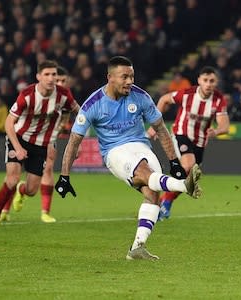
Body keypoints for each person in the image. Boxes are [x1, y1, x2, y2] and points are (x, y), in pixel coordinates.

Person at [54, 56, 202, 260]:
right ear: (110, 78)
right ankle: (185, 186)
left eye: (131, 76)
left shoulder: (140, 96)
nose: (130, 81)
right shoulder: (93, 104)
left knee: (153, 193)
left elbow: (160, 129)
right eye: (124, 77)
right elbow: (74, 141)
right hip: (114, 151)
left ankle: (137, 247)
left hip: (141, 146)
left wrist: (174, 162)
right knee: (144, 172)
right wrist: (64, 176)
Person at [0, 60, 80, 228]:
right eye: (47, 74)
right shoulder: (27, 95)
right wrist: (19, 148)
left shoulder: (63, 95)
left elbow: (80, 114)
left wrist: (77, 143)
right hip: (19, 139)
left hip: (41, 146)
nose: (51, 78)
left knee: (31, 190)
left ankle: (22, 191)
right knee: (12, 178)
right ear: (38, 77)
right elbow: (8, 123)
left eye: (54, 75)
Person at [148, 66, 230, 220]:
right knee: (188, 166)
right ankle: (164, 203)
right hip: (181, 134)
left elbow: (224, 126)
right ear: (199, 80)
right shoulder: (187, 94)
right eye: (205, 80)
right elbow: (164, 99)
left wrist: (216, 131)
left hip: (200, 142)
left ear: (216, 82)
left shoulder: (218, 100)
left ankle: (164, 201)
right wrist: (155, 126)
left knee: (190, 177)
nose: (208, 84)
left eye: (212, 81)